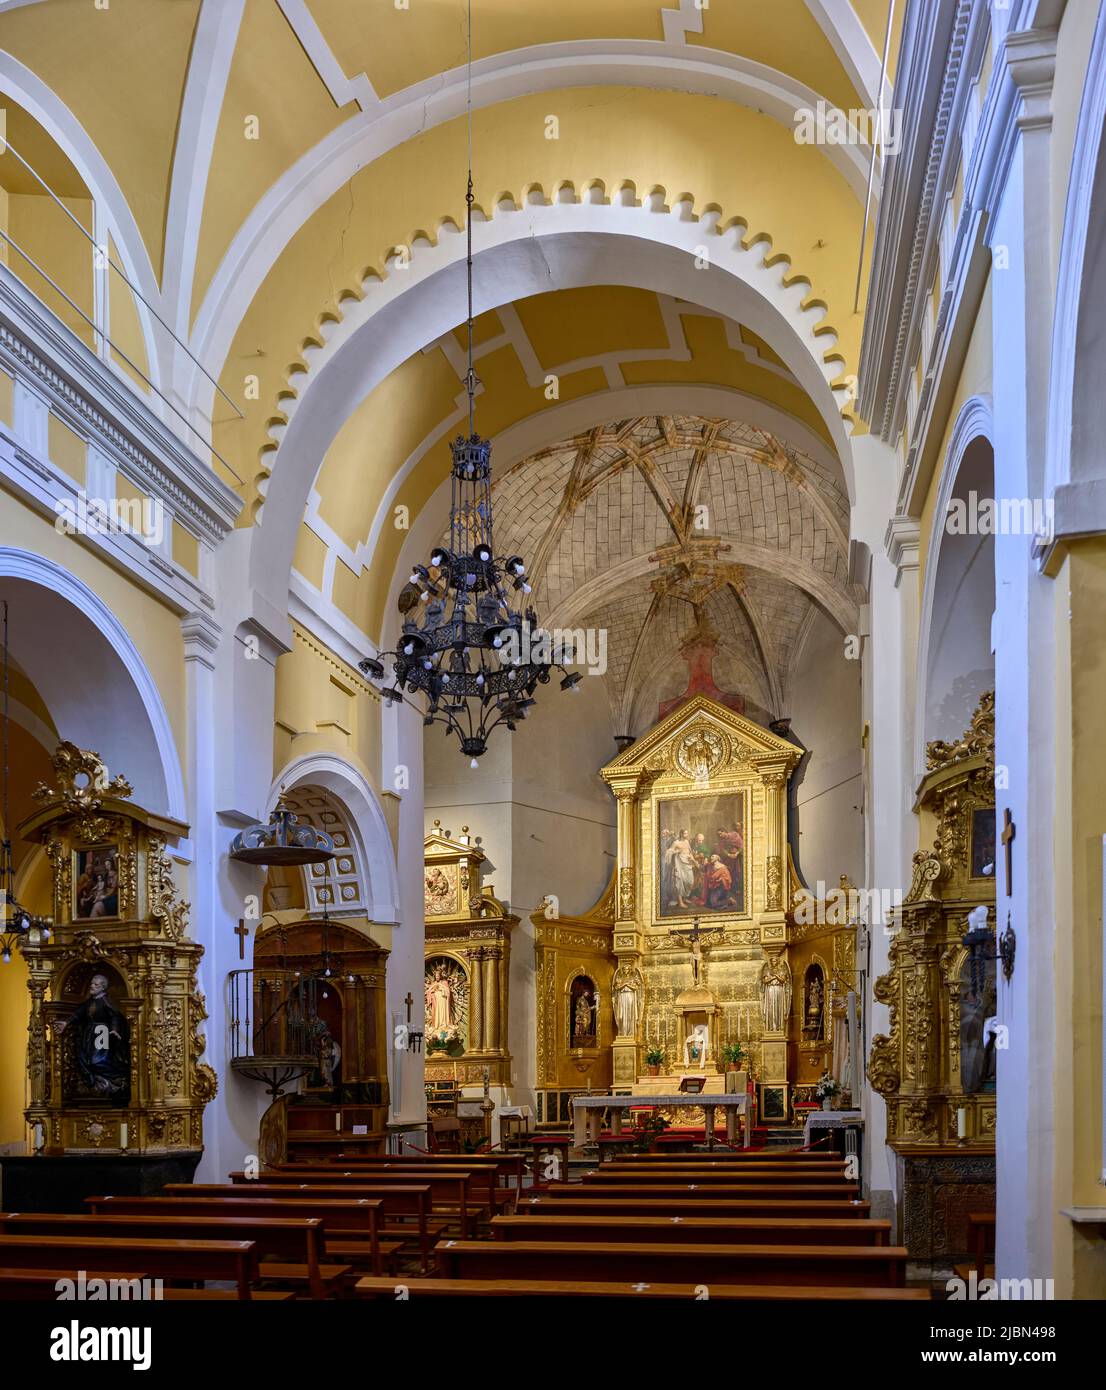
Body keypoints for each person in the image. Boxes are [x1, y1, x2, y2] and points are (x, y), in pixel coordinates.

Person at [59, 973, 130, 1103]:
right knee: (83, 1058)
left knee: (97, 1061)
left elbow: (115, 1016)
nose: (92, 986)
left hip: (102, 1035)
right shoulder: (89, 1002)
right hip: (89, 1035)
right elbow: (77, 1014)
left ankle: (120, 1076)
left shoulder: (106, 1001)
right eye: (91, 983)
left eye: (95, 984)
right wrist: (66, 1023)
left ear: (103, 987)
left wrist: (114, 1030)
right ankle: (95, 1084)